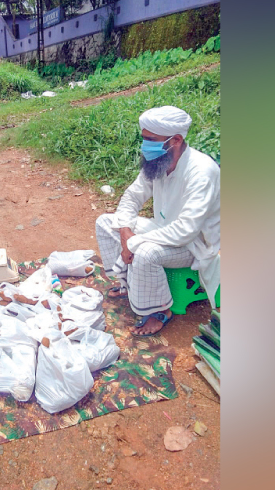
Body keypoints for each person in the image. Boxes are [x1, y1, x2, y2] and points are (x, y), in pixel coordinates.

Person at [95, 106, 220, 336]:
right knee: (105, 223)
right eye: (143, 139)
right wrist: (125, 232)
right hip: (163, 230)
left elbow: (186, 230)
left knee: (145, 252)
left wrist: (133, 242)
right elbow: (132, 197)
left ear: (176, 140)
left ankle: (159, 311)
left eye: (151, 140)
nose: (145, 146)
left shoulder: (202, 172)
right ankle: (127, 284)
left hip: (194, 245)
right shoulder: (159, 161)